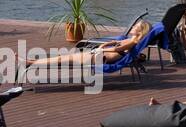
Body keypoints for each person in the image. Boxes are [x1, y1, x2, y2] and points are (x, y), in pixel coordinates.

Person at [24, 19, 152, 76]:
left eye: (136, 26)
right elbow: (115, 44)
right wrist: (105, 45)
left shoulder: (133, 42)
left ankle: (32, 63)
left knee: (61, 60)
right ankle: (32, 62)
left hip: (99, 58)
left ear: (139, 32)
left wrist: (101, 48)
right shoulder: (131, 40)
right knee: (62, 58)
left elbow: (116, 49)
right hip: (99, 55)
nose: (133, 26)